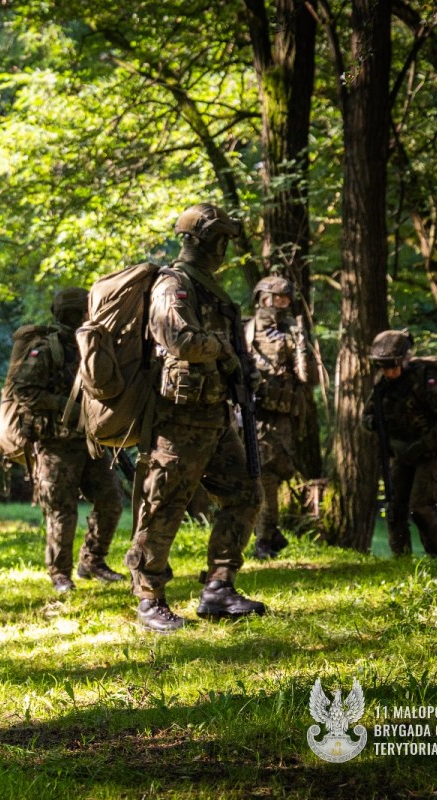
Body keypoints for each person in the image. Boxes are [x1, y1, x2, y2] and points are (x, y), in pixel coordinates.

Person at [124, 203, 267, 633]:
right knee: (163, 505)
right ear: (201, 241)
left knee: (245, 493)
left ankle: (219, 588)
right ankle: (150, 600)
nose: (224, 249)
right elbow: (179, 339)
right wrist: (222, 347)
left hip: (215, 415)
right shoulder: (174, 284)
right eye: (219, 240)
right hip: (178, 418)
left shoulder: (212, 289)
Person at [8, 287, 125, 594]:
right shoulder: (46, 349)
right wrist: (65, 405)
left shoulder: (92, 345)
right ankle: (60, 574)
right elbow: (24, 392)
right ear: (76, 313)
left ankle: (92, 562)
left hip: (90, 440)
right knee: (62, 509)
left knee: (110, 500)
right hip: (56, 444)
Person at [363, 330, 437, 558]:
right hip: (402, 454)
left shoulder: (425, 380)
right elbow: (366, 417)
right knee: (394, 509)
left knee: (420, 508)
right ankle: (401, 560)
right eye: (384, 367)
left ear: (404, 360)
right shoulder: (382, 385)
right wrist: (377, 424)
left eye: (393, 366)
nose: (389, 372)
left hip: (431, 454)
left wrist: (423, 444)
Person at [244, 275, 315, 559]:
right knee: (259, 477)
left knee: (270, 475)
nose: (281, 305)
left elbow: (306, 377)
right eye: (276, 299)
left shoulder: (291, 333)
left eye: (286, 299)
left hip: (281, 418)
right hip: (251, 415)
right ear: (263, 299)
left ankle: (267, 535)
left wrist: (300, 342)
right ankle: (264, 537)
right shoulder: (246, 332)